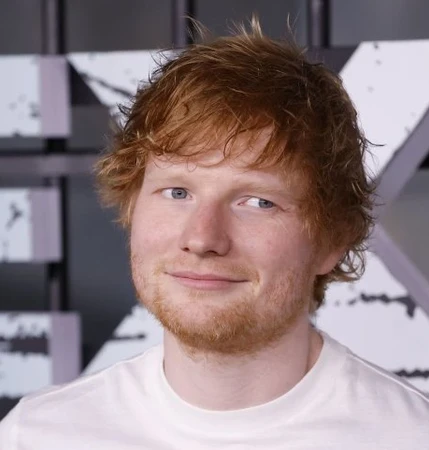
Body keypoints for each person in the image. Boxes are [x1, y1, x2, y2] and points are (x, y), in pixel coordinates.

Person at [1, 20, 428, 449]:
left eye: (258, 202)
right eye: (177, 192)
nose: (203, 238)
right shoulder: (36, 435)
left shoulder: (409, 436)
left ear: (332, 240)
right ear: (132, 206)